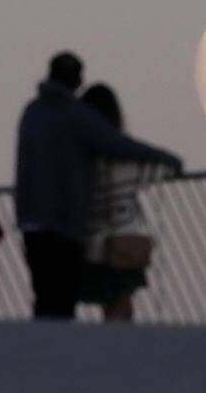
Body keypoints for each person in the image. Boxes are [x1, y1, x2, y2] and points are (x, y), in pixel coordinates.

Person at [15, 52, 181, 320]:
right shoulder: (76, 115)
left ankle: (45, 353)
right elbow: (116, 144)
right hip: (66, 225)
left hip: (32, 218)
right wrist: (167, 160)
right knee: (65, 298)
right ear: (75, 78)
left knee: (45, 297)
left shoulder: (32, 113)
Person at [78, 83, 155, 321]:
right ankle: (122, 349)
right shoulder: (126, 153)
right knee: (120, 299)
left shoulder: (78, 155)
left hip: (87, 238)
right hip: (124, 238)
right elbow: (148, 172)